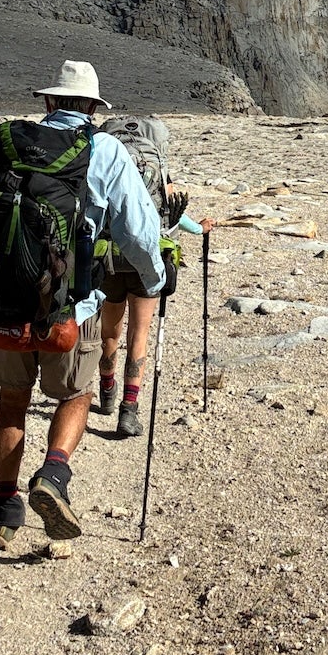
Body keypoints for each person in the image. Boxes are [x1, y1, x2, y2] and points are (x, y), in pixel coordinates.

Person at [0, 61, 165, 550]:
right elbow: (138, 231)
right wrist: (154, 278)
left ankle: (4, 508)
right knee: (74, 395)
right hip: (71, 308)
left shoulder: (11, 144)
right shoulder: (106, 150)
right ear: (93, 108)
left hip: (7, 303)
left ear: (48, 102)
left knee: (12, 401)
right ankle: (54, 475)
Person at [93, 116, 203, 439]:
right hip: (147, 259)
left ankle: (107, 389)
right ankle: (129, 409)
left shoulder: (109, 160)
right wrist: (200, 228)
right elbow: (172, 216)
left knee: (110, 332)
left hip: (110, 256)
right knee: (138, 335)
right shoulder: (158, 165)